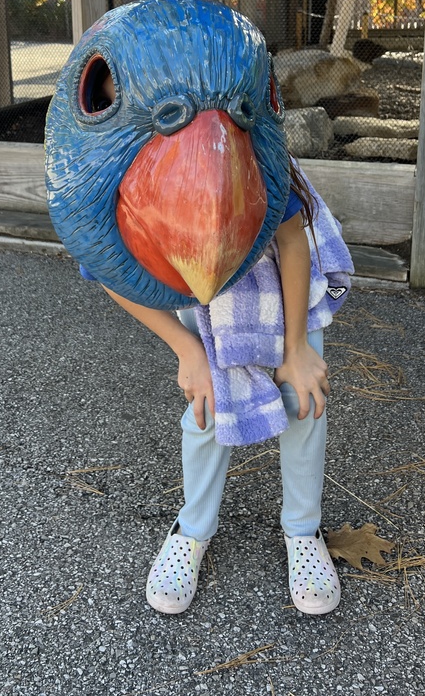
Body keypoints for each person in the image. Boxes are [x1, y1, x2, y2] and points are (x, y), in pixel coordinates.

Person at [101, 157, 352, 616]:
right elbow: (106, 267)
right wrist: (187, 350)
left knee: (303, 401)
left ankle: (304, 530)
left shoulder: (239, 148)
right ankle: (191, 530)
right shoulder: (124, 167)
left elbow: (293, 235)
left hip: (282, 281)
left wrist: (296, 347)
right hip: (199, 289)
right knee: (208, 407)